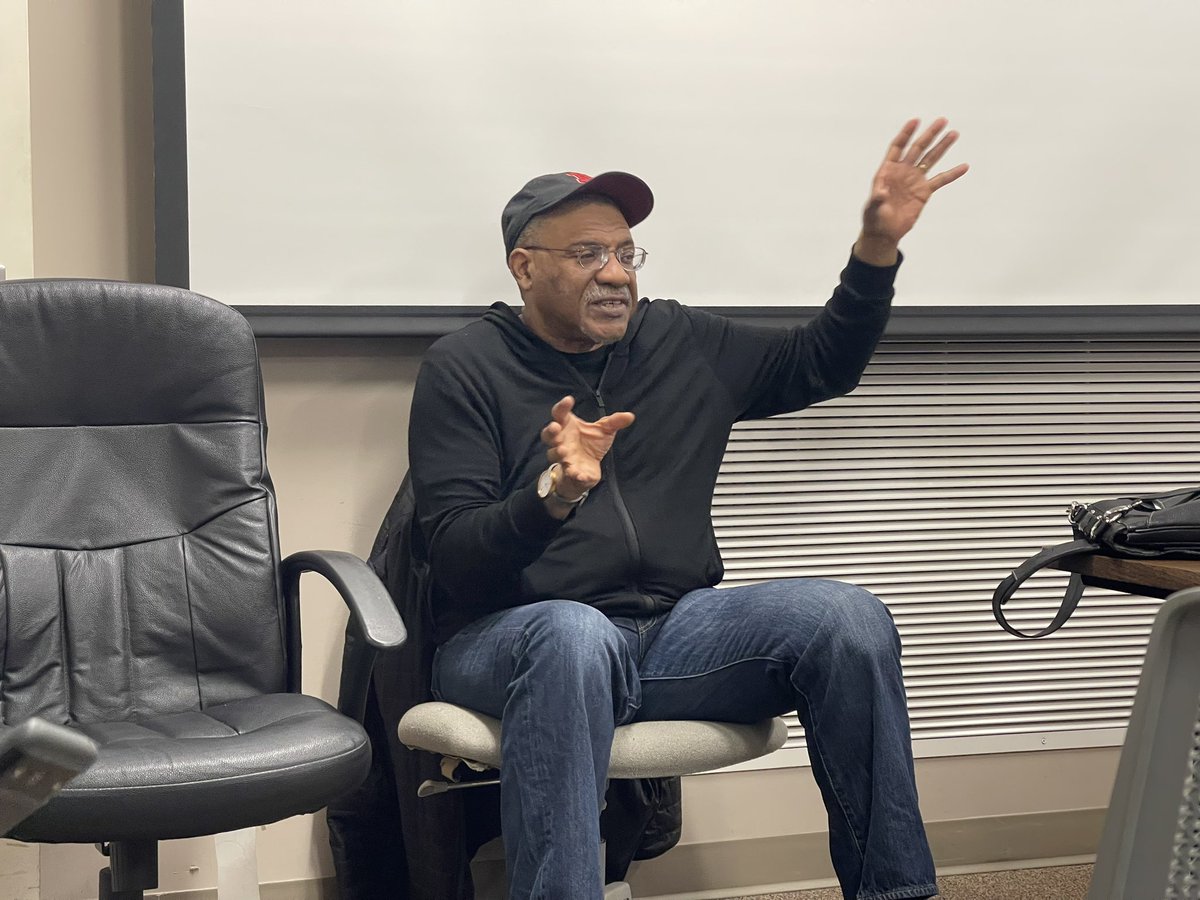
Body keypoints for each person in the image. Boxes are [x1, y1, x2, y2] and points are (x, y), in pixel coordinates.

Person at [408, 118, 968, 900]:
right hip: (509, 641)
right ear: (524, 267)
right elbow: (456, 556)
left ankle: (895, 893)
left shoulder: (679, 340)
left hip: (670, 637)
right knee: (573, 633)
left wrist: (875, 252)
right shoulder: (464, 367)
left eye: (625, 252)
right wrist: (554, 495)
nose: (616, 274)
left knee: (847, 621)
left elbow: (822, 364)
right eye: (587, 254)